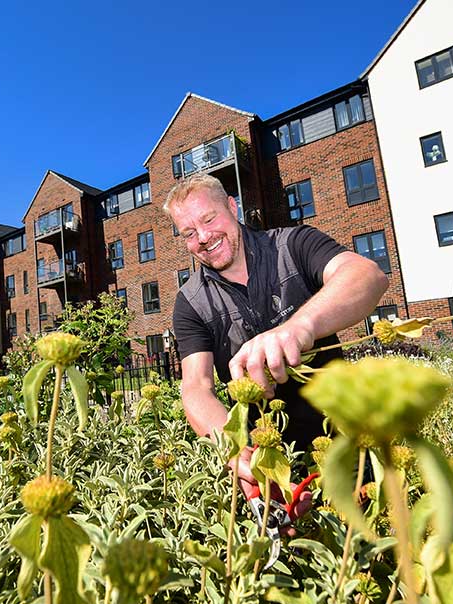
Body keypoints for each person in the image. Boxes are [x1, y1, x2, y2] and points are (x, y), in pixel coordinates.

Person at [164, 174, 388, 500]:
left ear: (232, 207)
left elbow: (368, 276)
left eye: (209, 219)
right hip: (268, 458)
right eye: (188, 233)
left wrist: (298, 328)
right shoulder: (191, 301)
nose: (203, 237)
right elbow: (196, 388)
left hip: (346, 439)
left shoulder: (294, 246)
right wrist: (232, 448)